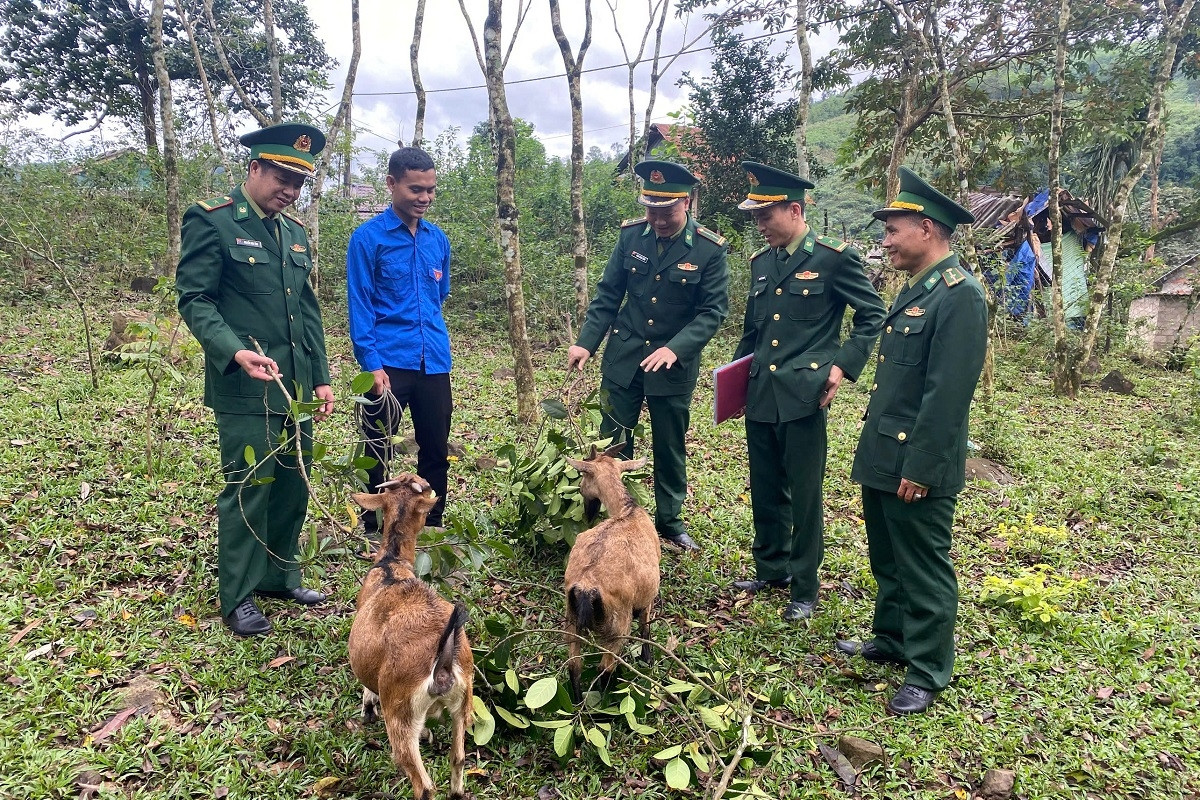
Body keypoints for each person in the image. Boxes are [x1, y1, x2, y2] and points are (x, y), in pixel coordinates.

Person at [839, 166, 988, 715]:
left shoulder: (960, 296)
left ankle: (927, 668)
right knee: (888, 556)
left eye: (892, 230)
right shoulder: (919, 289)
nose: (885, 241)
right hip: (884, 450)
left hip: (917, 460)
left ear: (926, 228)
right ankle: (893, 638)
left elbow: (947, 396)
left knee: (923, 564)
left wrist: (920, 467)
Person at [176, 122, 333, 637]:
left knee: (292, 483)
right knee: (248, 487)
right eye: (282, 176)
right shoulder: (213, 221)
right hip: (245, 385)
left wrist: (323, 379)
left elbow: (306, 313)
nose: (289, 190)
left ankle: (278, 572)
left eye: (299, 182)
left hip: (296, 386)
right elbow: (194, 300)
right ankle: (238, 594)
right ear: (255, 168)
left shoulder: (294, 234)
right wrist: (235, 350)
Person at [731, 162, 885, 622]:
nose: (759, 226)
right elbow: (753, 331)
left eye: (766, 216)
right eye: (756, 217)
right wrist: (735, 384)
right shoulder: (763, 263)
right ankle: (771, 567)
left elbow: (872, 314)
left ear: (795, 210)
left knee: (804, 492)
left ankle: (804, 586)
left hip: (804, 392)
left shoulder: (834, 259)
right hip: (761, 393)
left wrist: (841, 365)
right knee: (764, 486)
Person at [568, 160, 729, 551]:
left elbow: (713, 312)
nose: (657, 219)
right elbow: (609, 294)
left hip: (673, 365)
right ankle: (606, 517)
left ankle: (670, 523)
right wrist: (587, 342)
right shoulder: (631, 236)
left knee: (669, 445)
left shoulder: (709, 249)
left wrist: (676, 348)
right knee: (610, 445)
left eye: (666, 211)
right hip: (624, 358)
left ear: (686, 203)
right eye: (650, 209)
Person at [347, 147, 453, 542]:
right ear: (392, 184)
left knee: (435, 449)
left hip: (434, 360)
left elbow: (439, 294)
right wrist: (372, 364)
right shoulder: (367, 239)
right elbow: (360, 305)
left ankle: (431, 523)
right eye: (415, 189)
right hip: (387, 363)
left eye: (430, 190)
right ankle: (374, 527)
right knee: (376, 447)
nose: (424, 198)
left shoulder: (437, 239)